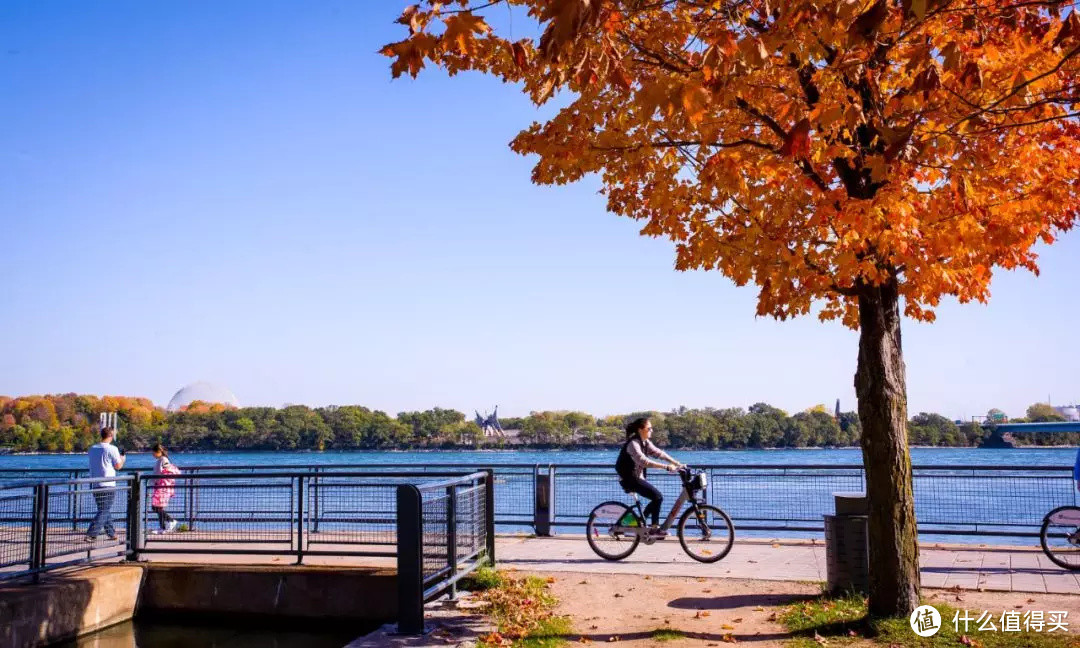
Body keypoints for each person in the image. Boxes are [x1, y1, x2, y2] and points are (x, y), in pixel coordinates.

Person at [615, 417, 684, 538]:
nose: (651, 430)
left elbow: (659, 453)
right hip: (629, 478)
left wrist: (677, 463)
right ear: (641, 429)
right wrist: (666, 467)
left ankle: (636, 524)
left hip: (636, 477)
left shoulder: (645, 442)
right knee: (657, 497)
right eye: (649, 428)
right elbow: (644, 462)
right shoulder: (633, 443)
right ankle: (654, 529)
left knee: (655, 498)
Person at [85, 427, 125, 542]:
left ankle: (111, 533)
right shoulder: (112, 449)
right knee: (104, 510)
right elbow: (118, 466)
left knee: (103, 509)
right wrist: (122, 459)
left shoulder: (92, 448)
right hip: (108, 483)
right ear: (111, 436)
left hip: (95, 483)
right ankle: (91, 534)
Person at [150, 443, 180, 534]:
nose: (153, 454)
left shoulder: (163, 460)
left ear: (159, 452)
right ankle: (162, 527)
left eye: (154, 452)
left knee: (155, 507)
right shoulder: (160, 459)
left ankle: (171, 521)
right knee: (159, 507)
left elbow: (168, 470)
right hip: (159, 486)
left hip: (162, 487)